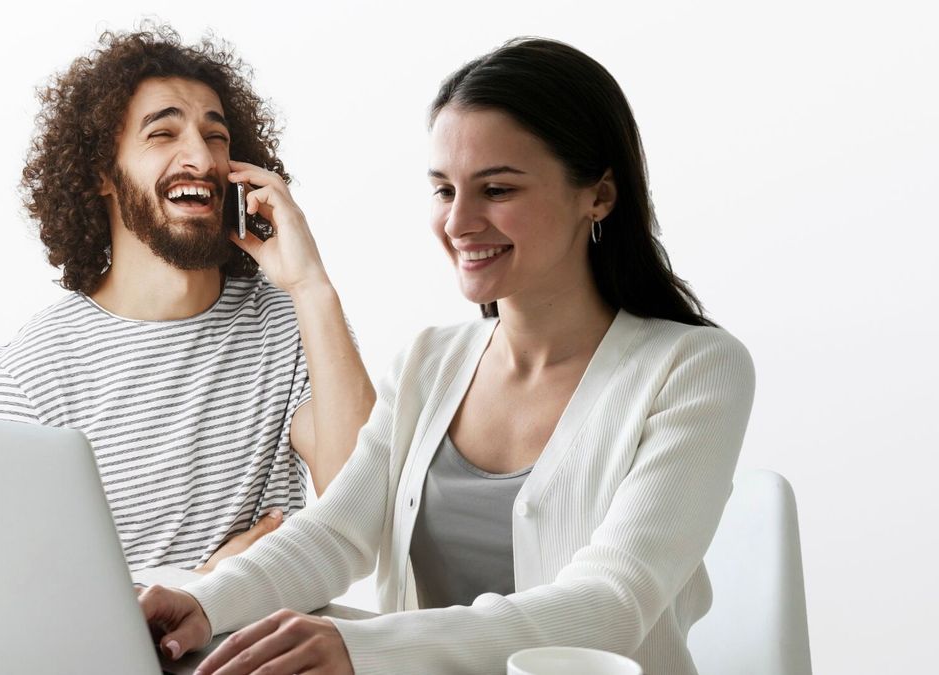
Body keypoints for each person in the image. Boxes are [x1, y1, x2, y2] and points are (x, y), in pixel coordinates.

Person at [139, 37, 755, 675]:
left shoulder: (695, 369)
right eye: (443, 190)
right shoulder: (427, 363)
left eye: (497, 189)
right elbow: (333, 533)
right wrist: (203, 601)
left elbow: (611, 605)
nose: (459, 222)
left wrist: (363, 648)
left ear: (598, 195)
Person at [0, 24, 375, 575]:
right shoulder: (31, 375)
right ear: (102, 171)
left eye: (216, 136)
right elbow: (14, 594)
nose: (201, 158)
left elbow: (360, 509)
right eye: (163, 134)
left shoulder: (294, 322)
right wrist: (204, 589)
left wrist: (311, 285)